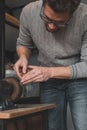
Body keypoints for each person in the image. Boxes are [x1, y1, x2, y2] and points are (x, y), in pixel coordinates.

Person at [14, 0, 87, 129]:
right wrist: (23, 57)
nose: (52, 26)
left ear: (73, 12)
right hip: (49, 82)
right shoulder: (29, 12)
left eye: (60, 22)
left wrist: (49, 72)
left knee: (83, 125)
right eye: (46, 18)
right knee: (53, 127)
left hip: (78, 78)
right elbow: (23, 43)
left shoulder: (84, 16)